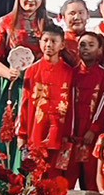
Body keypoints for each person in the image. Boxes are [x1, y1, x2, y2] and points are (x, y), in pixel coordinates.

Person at [0, 0, 52, 171]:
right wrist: (7, 73)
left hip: (39, 87)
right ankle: (3, 177)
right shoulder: (5, 22)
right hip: (12, 87)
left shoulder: (47, 23)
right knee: (8, 131)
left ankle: (30, 180)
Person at [18, 28, 75, 179]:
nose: (49, 45)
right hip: (36, 131)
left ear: (62, 45)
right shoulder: (32, 71)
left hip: (59, 133)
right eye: (45, 40)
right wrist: (22, 134)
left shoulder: (69, 72)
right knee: (34, 177)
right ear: (40, 43)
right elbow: (24, 104)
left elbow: (72, 106)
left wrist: (69, 134)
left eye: (54, 41)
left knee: (55, 178)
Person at [70, 31, 104, 189]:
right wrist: (70, 131)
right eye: (82, 45)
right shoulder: (71, 73)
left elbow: (103, 104)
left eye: (91, 45)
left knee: (91, 179)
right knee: (67, 181)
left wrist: (93, 129)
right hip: (72, 135)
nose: (86, 48)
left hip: (92, 136)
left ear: (99, 50)